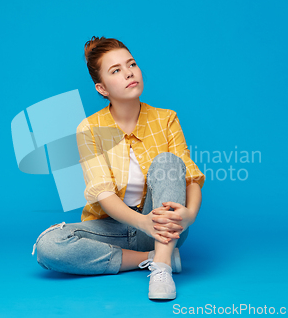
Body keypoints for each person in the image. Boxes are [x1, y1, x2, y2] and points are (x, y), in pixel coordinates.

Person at [32, 36, 205, 300]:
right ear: (102, 89)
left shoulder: (167, 118)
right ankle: (155, 258)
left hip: (162, 226)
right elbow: (101, 191)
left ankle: (161, 268)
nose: (129, 73)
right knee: (49, 245)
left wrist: (190, 216)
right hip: (113, 228)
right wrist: (142, 223)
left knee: (168, 162)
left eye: (131, 64)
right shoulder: (89, 128)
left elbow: (191, 178)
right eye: (116, 70)